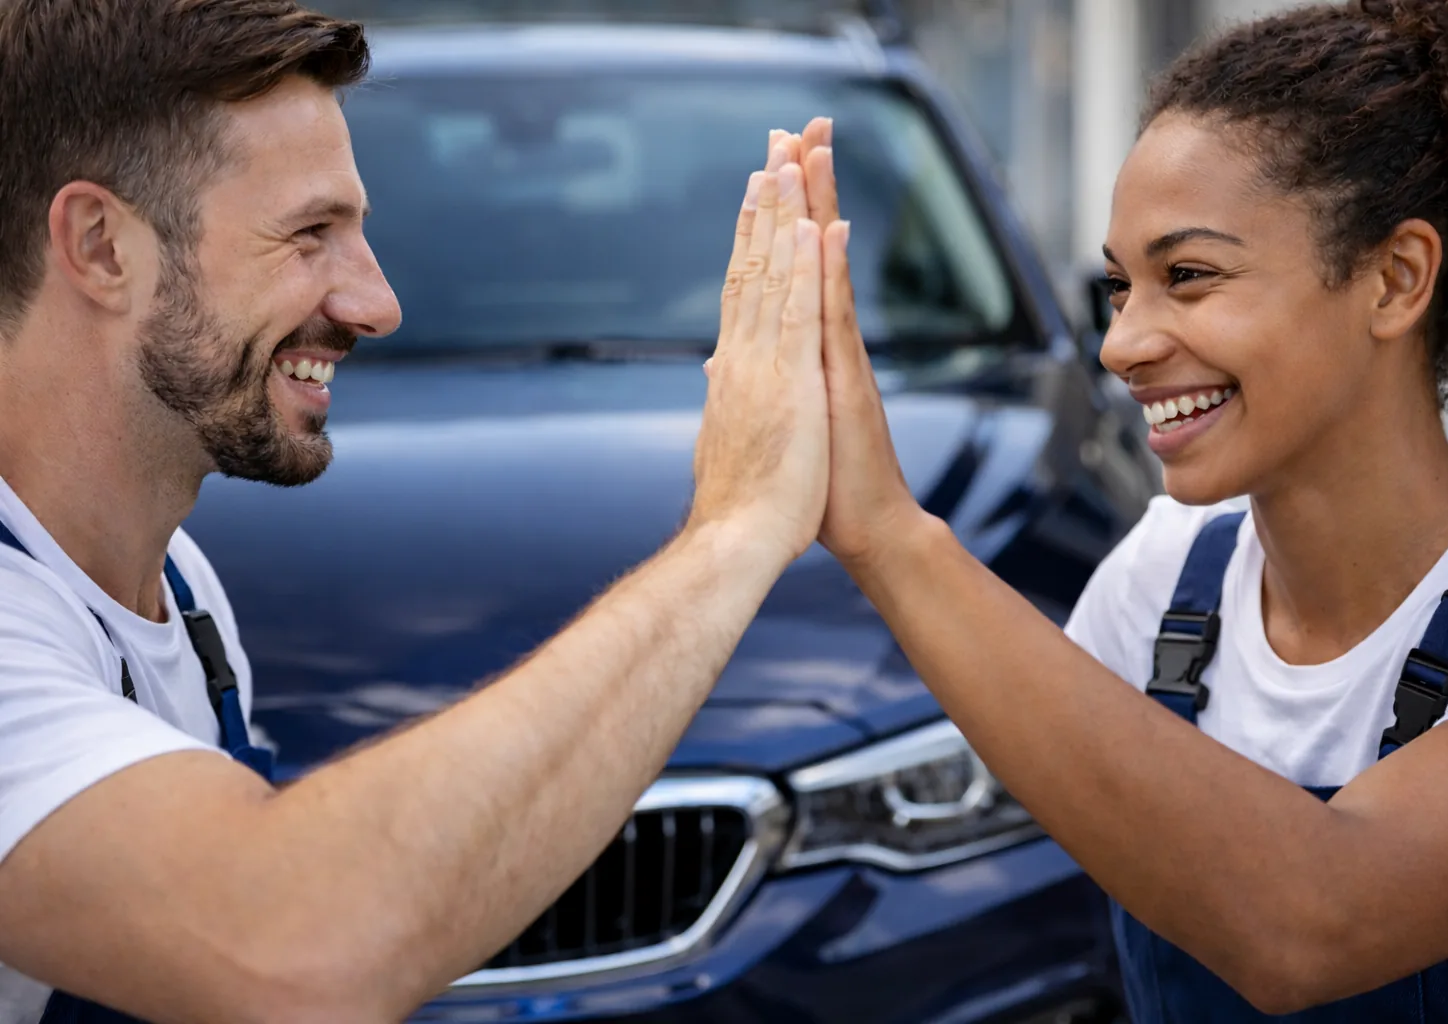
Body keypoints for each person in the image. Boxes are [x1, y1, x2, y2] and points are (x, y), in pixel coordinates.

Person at [0, 2, 846, 1022]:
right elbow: (287, 947)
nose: (376, 303)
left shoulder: (182, 591)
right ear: (101, 246)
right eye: (308, 235)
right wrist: (733, 531)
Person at [803, 0, 1448, 1019]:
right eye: (1119, 287)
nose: (1122, 345)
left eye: (1188, 276)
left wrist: (888, 534)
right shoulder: (1161, 580)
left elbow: (1319, 920)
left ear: (1394, 279)